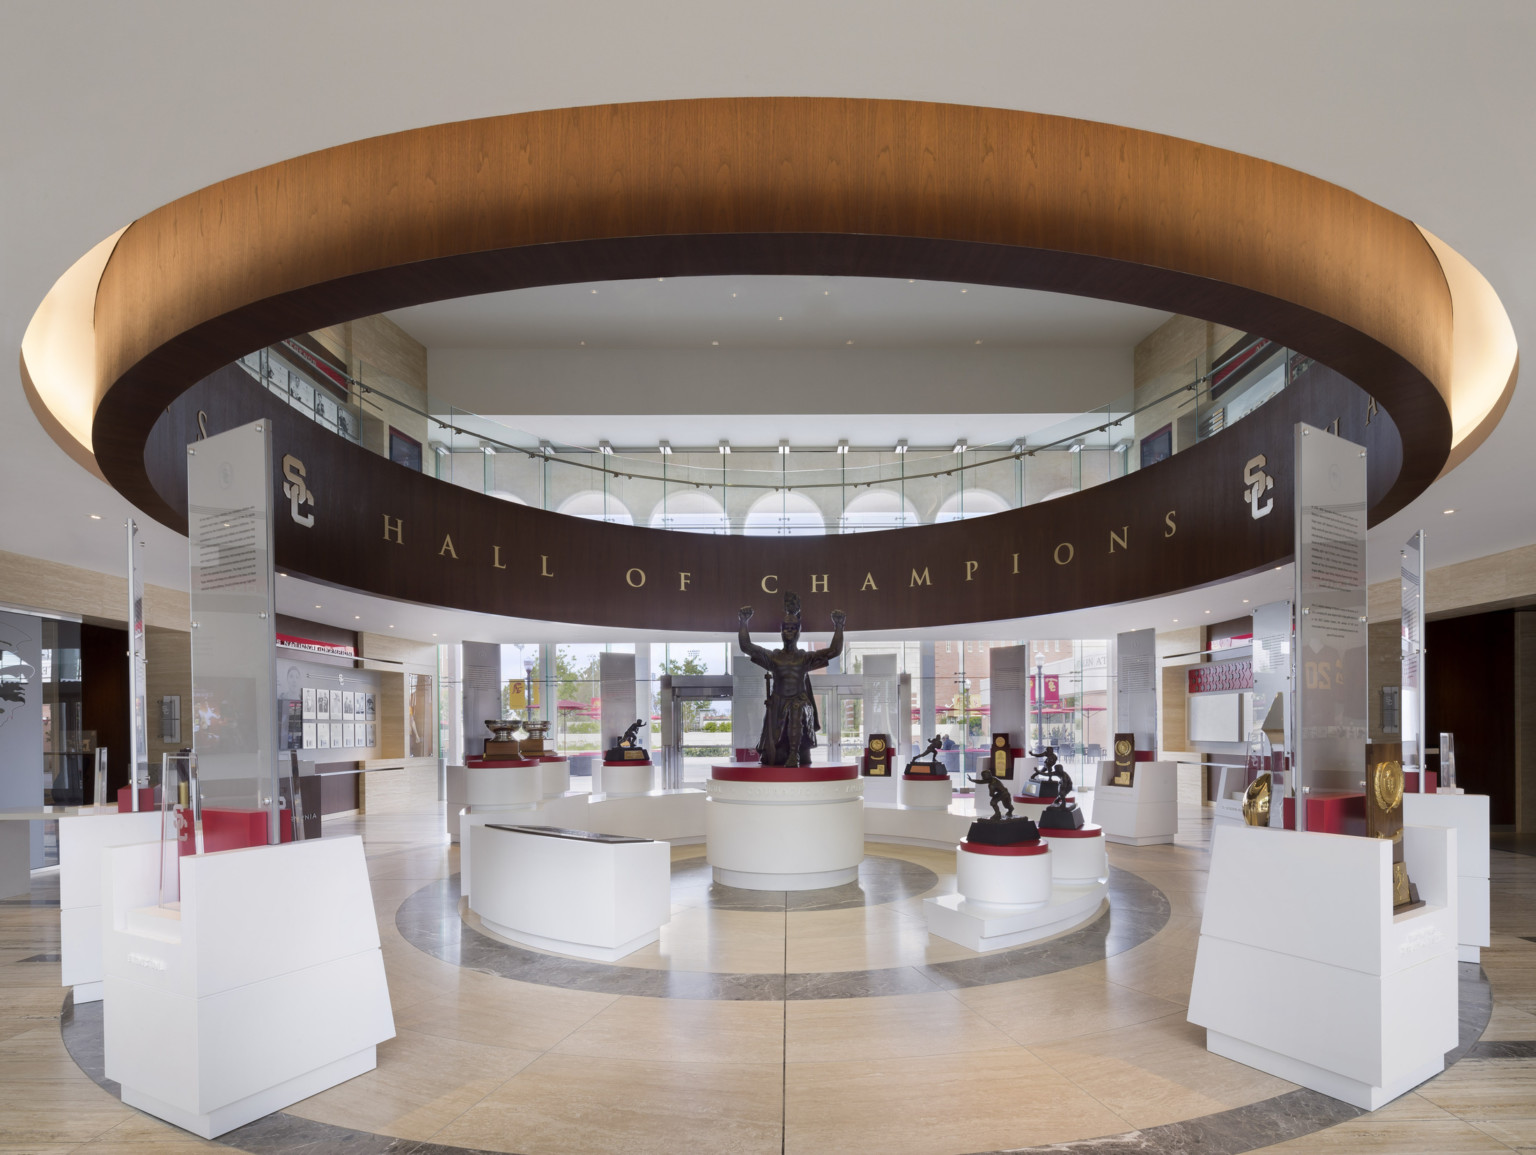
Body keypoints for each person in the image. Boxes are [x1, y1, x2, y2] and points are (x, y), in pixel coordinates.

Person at [737, 592, 845, 767]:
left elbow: (834, 651)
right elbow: (747, 646)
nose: (789, 631)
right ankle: (784, 754)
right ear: (781, 631)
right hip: (778, 703)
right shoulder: (774, 657)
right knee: (788, 715)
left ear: (799, 632)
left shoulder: (805, 658)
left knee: (796, 708)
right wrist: (743, 623)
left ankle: (794, 755)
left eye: (793, 628)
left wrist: (839, 626)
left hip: (799, 701)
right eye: (786, 627)